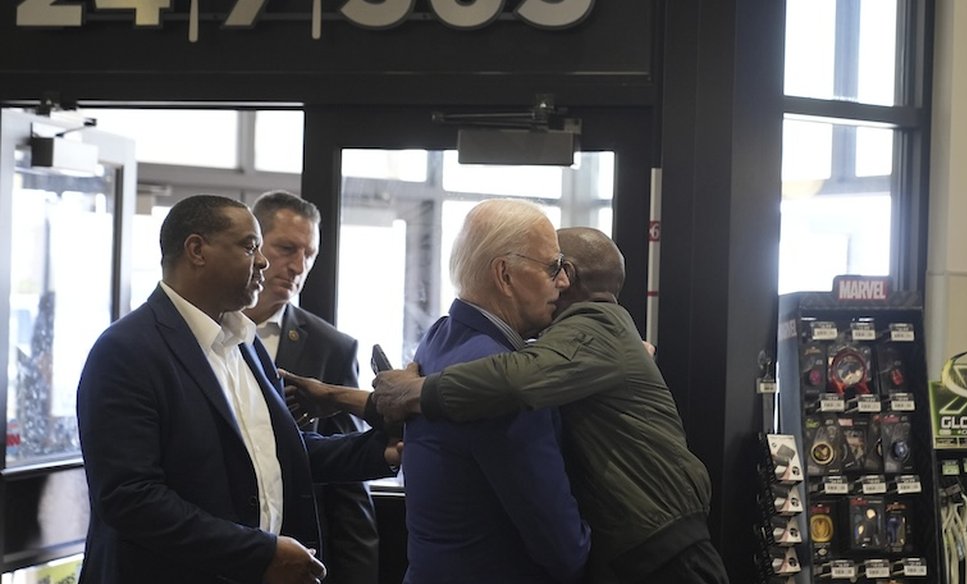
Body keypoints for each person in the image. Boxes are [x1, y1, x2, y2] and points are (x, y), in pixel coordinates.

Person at [287, 227, 728, 583]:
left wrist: (408, 391)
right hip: (641, 548)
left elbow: (510, 382)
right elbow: (453, 415)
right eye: (548, 266)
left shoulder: (590, 327)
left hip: (664, 554)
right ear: (505, 274)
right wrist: (346, 397)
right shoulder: (519, 349)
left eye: (557, 266)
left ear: (569, 274)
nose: (555, 280)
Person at [76, 194, 398, 584]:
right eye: (250, 247)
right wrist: (260, 554)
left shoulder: (244, 343)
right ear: (197, 250)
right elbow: (131, 498)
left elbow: (279, 452)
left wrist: (381, 450)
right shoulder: (125, 351)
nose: (262, 261)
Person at [299, 199, 591, 583]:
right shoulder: (503, 380)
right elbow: (561, 547)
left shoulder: (439, 336)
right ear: (504, 275)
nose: (564, 282)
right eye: (553, 266)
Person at [243, 190, 381, 584]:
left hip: (300, 551)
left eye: (310, 254)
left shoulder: (332, 347)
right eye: (286, 248)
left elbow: (348, 485)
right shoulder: (206, 331)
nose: (298, 266)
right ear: (254, 246)